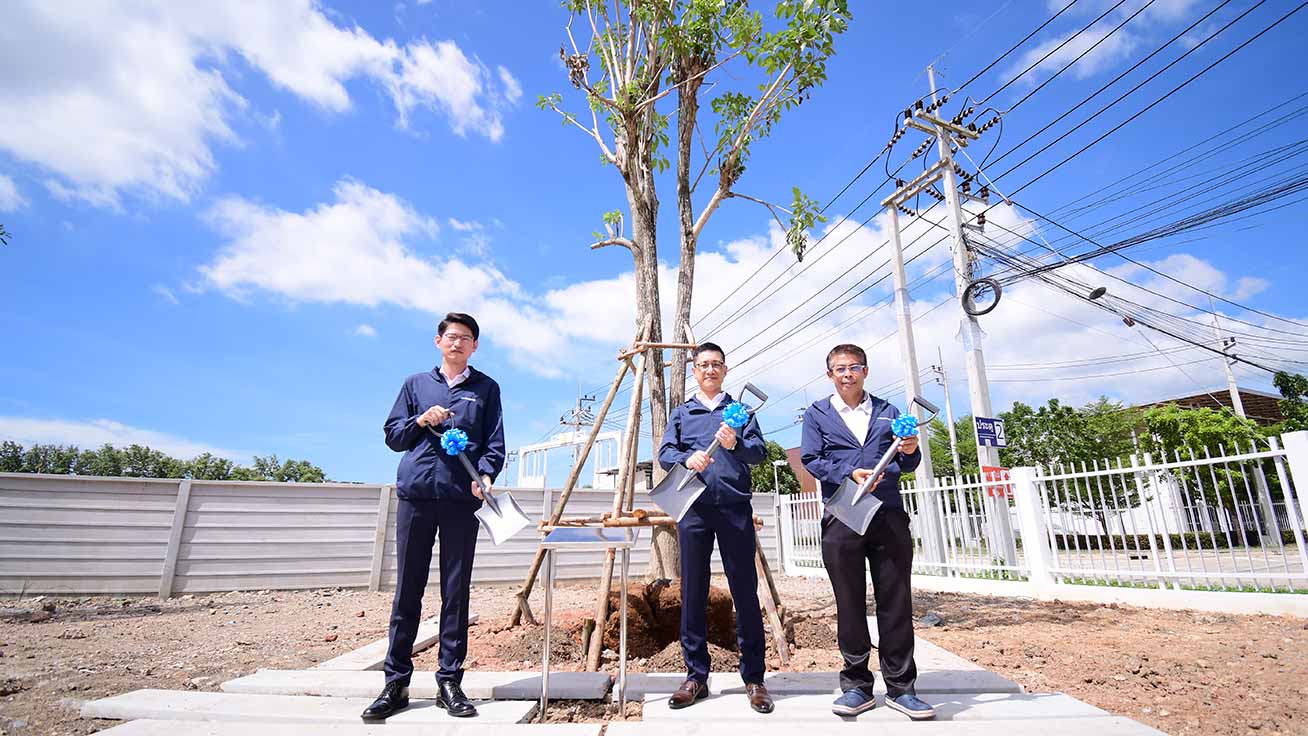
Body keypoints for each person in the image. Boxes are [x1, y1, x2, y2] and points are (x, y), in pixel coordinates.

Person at [363, 312, 505, 721]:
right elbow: (393, 436)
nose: (458, 343)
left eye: (466, 338)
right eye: (451, 336)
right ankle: (396, 683)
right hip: (417, 496)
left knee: (455, 593)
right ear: (438, 341)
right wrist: (421, 419)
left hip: (461, 499)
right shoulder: (415, 385)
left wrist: (487, 475)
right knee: (407, 589)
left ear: (475, 346)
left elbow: (494, 443)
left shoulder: (486, 389)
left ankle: (449, 681)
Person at [799, 343, 936, 721]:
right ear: (829, 375)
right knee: (849, 602)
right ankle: (857, 685)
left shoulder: (888, 411)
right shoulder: (817, 414)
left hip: (887, 514)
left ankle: (902, 687)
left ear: (865, 370)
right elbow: (811, 459)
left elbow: (908, 462)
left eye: (854, 367)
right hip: (842, 514)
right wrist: (848, 472)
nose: (847, 373)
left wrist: (909, 449)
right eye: (839, 368)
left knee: (896, 601)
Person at [657, 342, 774, 714]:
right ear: (694, 371)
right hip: (694, 509)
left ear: (725, 370)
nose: (710, 370)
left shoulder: (738, 412)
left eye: (716, 364)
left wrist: (736, 442)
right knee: (693, 591)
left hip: (735, 508)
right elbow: (664, 452)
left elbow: (760, 453)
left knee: (745, 591)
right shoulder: (682, 412)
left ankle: (754, 678)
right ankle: (695, 676)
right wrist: (685, 456)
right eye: (703, 364)